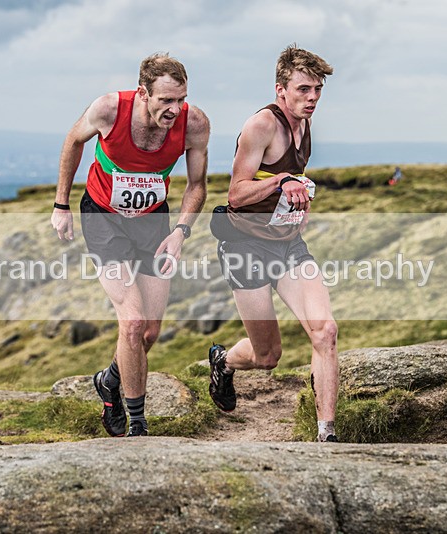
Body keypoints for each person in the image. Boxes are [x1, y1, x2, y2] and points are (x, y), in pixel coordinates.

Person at [51, 53, 209, 437]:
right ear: (143, 93)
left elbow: (197, 185)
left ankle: (109, 379)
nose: (174, 109)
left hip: (153, 223)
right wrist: (61, 204)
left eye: (181, 99)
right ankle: (137, 423)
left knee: (149, 332)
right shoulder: (108, 110)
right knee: (133, 322)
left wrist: (181, 232)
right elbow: (73, 141)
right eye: (166, 100)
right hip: (103, 218)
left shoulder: (194, 124)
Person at [207, 46, 339, 443]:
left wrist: (299, 202)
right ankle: (223, 362)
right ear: (280, 89)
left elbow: (292, 183)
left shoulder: (305, 123)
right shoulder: (262, 125)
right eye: (303, 89)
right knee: (267, 357)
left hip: (288, 245)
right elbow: (236, 194)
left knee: (325, 331)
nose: (312, 98)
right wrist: (282, 181)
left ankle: (327, 436)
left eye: (317, 89)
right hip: (244, 246)